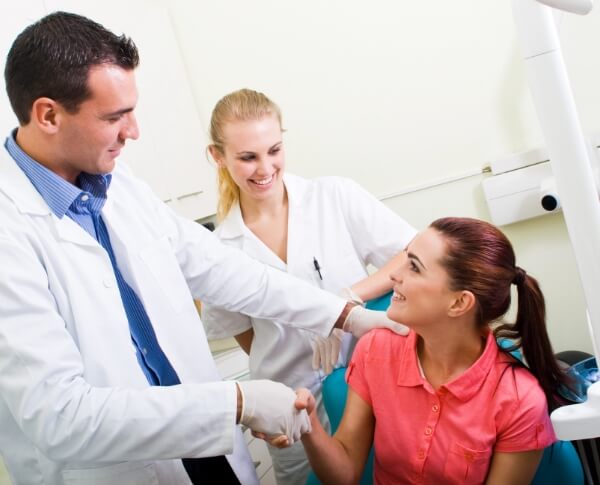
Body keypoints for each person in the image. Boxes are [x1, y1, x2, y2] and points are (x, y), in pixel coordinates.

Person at [0, 12, 405, 485]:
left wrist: (345, 314)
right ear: (48, 115)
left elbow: (222, 269)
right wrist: (240, 401)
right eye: (114, 117)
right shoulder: (10, 231)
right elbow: (60, 417)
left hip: (205, 447)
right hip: (117, 469)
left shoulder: (117, 182)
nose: (134, 131)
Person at [201, 88, 417, 484]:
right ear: (217, 156)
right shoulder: (219, 249)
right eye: (247, 157)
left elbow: (412, 253)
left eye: (274, 150)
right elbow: (245, 336)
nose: (265, 167)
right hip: (291, 406)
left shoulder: (334, 196)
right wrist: (294, 348)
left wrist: (348, 301)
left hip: (369, 386)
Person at [291, 217, 571, 484]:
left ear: (459, 303)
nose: (393, 275)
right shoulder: (375, 350)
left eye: (414, 266)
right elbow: (345, 474)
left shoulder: (519, 400)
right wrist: (309, 426)